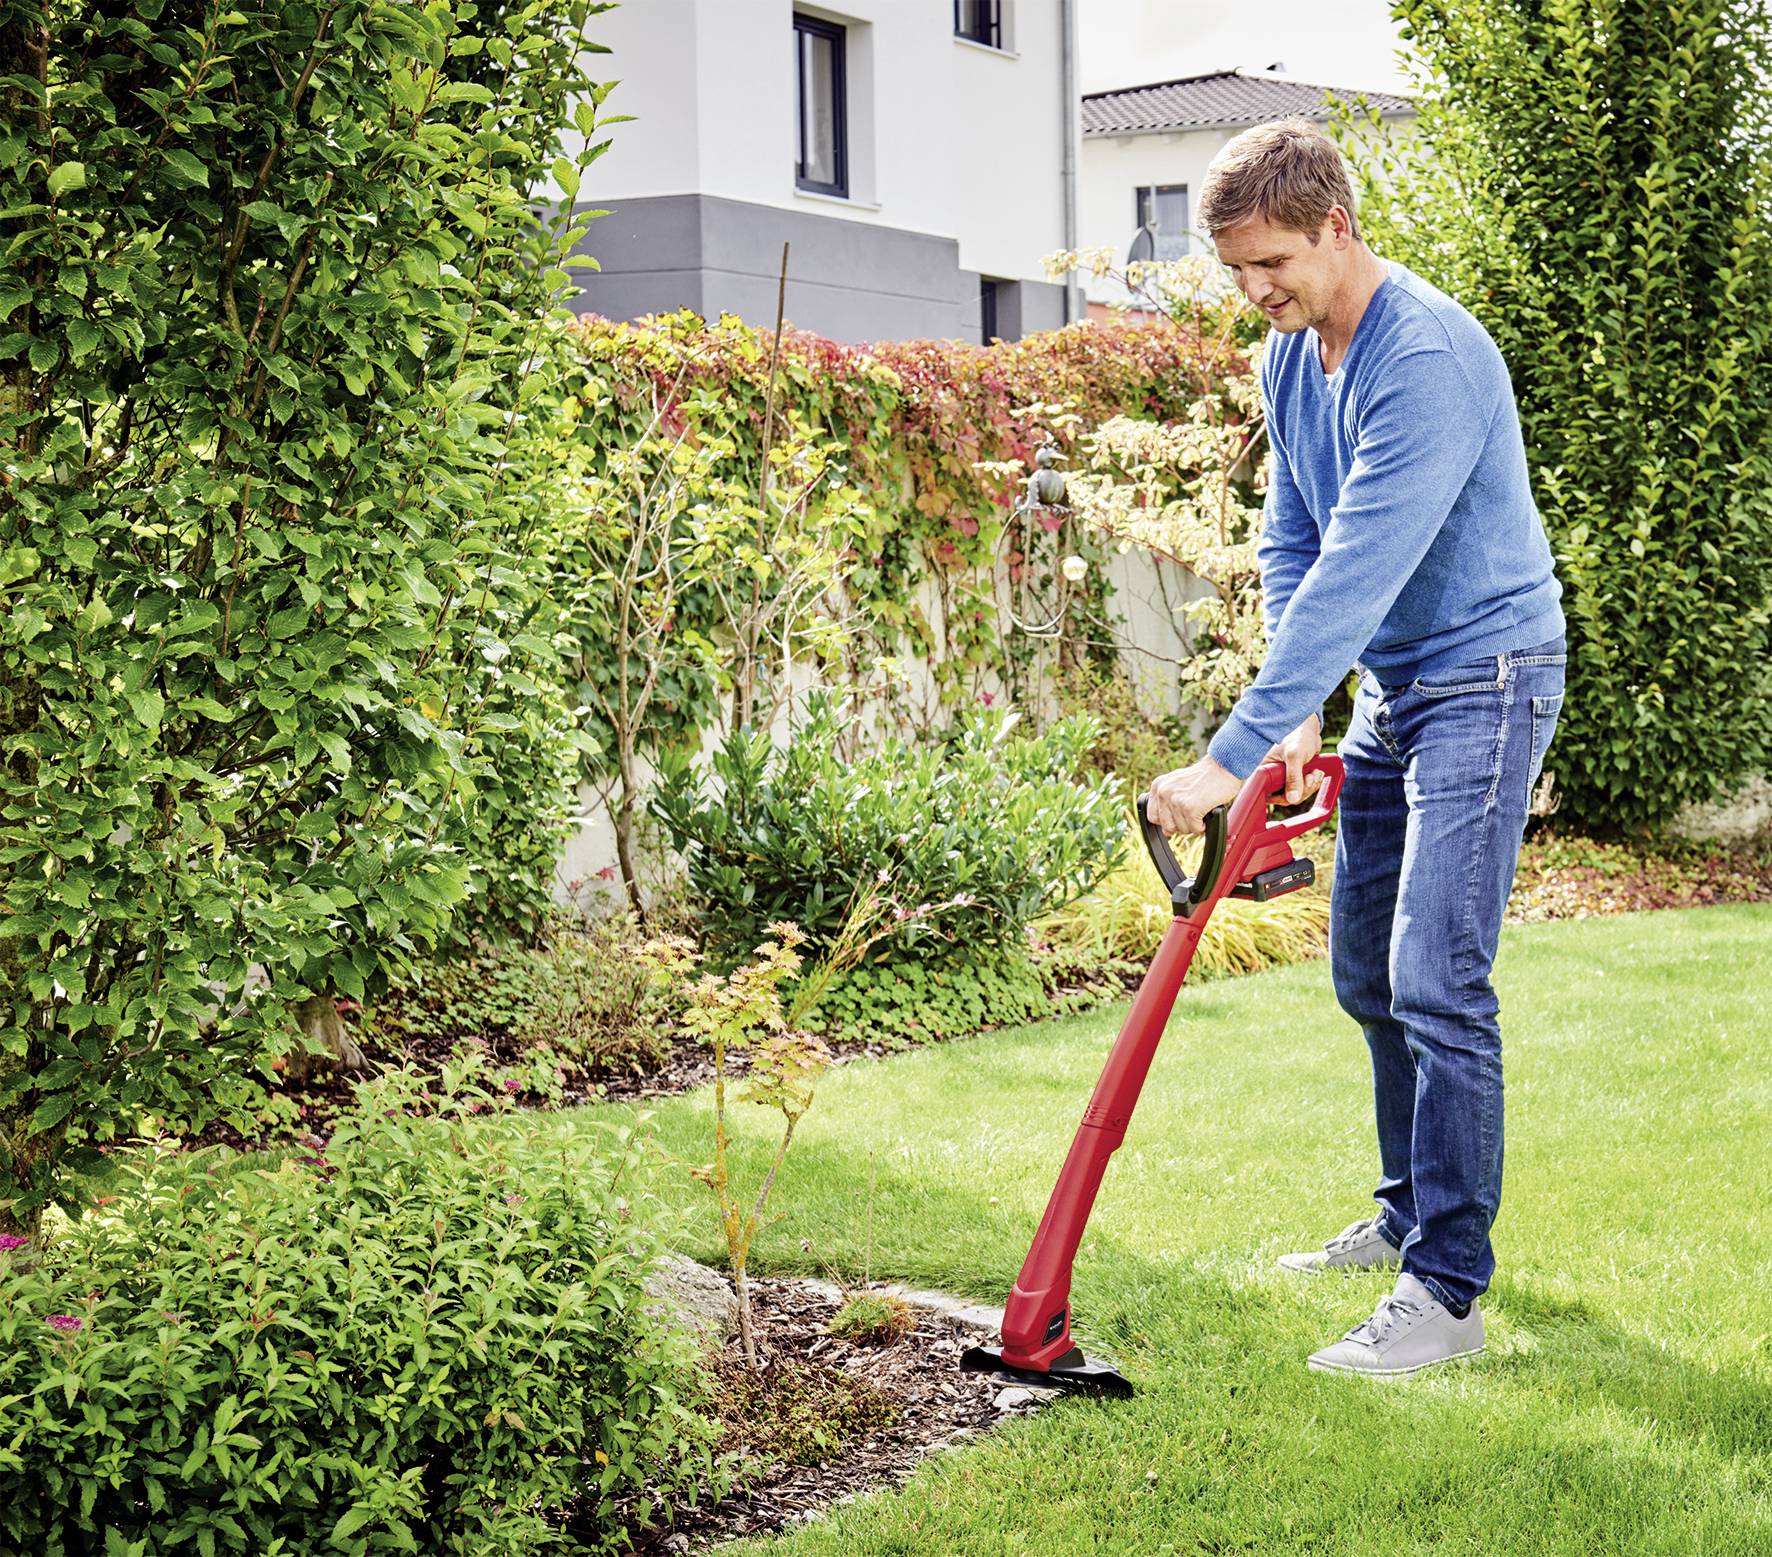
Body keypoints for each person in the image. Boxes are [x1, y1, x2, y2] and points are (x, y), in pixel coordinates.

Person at [1142, 118, 1566, 1377]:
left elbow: (1360, 568)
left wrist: (1232, 752)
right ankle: (1400, 1217)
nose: (1252, 290)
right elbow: (1292, 540)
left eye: (1268, 261)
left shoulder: (1418, 356)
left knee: (1438, 977)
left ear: (1335, 226)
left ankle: (1445, 1292)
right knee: (1365, 978)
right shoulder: (1291, 354)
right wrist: (1308, 714)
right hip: (1391, 689)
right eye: (1232, 271)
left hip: (1485, 676)